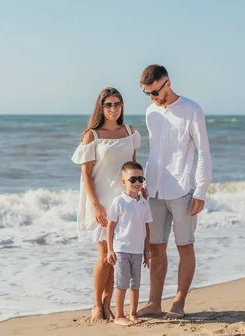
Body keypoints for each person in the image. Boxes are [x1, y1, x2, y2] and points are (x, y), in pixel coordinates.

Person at [136, 64, 212, 320]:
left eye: (155, 92)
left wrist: (200, 190)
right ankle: (154, 303)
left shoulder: (192, 110)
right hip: (154, 190)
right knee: (156, 248)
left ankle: (178, 303)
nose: (153, 98)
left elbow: (203, 153)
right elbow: (154, 152)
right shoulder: (150, 113)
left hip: (182, 190)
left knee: (184, 247)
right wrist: (143, 184)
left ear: (167, 83)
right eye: (148, 94)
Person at [71, 87, 141, 322]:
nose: (113, 108)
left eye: (117, 104)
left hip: (124, 202)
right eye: (108, 104)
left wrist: (140, 193)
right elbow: (86, 174)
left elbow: (133, 168)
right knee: (104, 254)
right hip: (101, 201)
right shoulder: (93, 135)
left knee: (117, 255)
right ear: (101, 108)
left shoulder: (130, 132)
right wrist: (95, 205)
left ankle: (106, 304)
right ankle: (95, 305)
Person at [106, 161, 152, 326]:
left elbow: (146, 228)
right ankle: (119, 316)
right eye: (133, 179)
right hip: (121, 249)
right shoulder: (120, 202)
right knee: (122, 284)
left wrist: (147, 251)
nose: (137, 182)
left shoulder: (144, 203)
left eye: (140, 179)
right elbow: (110, 226)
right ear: (123, 181)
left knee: (135, 284)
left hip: (138, 251)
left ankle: (132, 314)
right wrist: (110, 249)